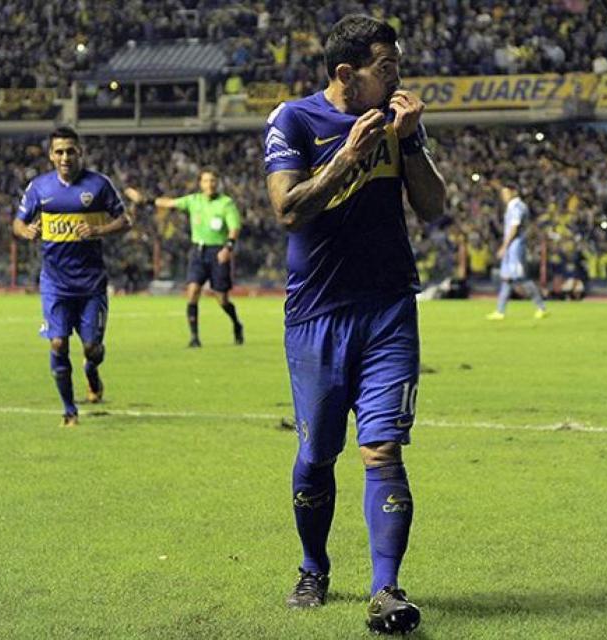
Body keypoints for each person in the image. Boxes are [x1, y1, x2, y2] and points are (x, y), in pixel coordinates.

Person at [264, 14, 446, 635]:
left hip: (389, 308)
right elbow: (289, 209)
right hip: (317, 314)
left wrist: (412, 140)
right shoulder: (295, 120)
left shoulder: (398, 128)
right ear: (348, 74)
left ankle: (385, 589)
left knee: (383, 448)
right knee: (317, 456)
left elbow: (434, 208)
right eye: (386, 67)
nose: (398, 77)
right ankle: (314, 567)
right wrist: (349, 155)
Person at [13, 126, 131, 427]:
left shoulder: (99, 185)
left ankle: (91, 370)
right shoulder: (39, 188)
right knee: (57, 344)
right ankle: (69, 410)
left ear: (80, 152)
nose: (65, 156)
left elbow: (125, 220)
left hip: (91, 284)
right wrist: (26, 230)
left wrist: (98, 230)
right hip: (55, 283)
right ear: (51, 155)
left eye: (70, 150)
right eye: (59, 151)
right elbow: (18, 222)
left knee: (92, 347)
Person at [126, 168, 243, 347]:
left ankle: (236, 324)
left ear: (217, 183)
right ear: (200, 183)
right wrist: (145, 200)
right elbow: (170, 203)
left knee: (222, 299)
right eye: (206, 181)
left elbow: (234, 228)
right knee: (193, 292)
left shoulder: (226, 203)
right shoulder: (193, 200)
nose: (209, 184)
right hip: (198, 251)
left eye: (212, 180)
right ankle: (194, 338)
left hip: (218, 252)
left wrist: (228, 247)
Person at [486, 183, 549, 320]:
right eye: (503, 194)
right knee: (507, 279)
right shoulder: (512, 207)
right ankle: (500, 311)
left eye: (506, 193)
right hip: (512, 248)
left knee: (521, 278)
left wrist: (504, 246)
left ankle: (541, 307)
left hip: (515, 248)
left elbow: (514, 228)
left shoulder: (517, 207)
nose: (504, 196)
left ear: (514, 192)